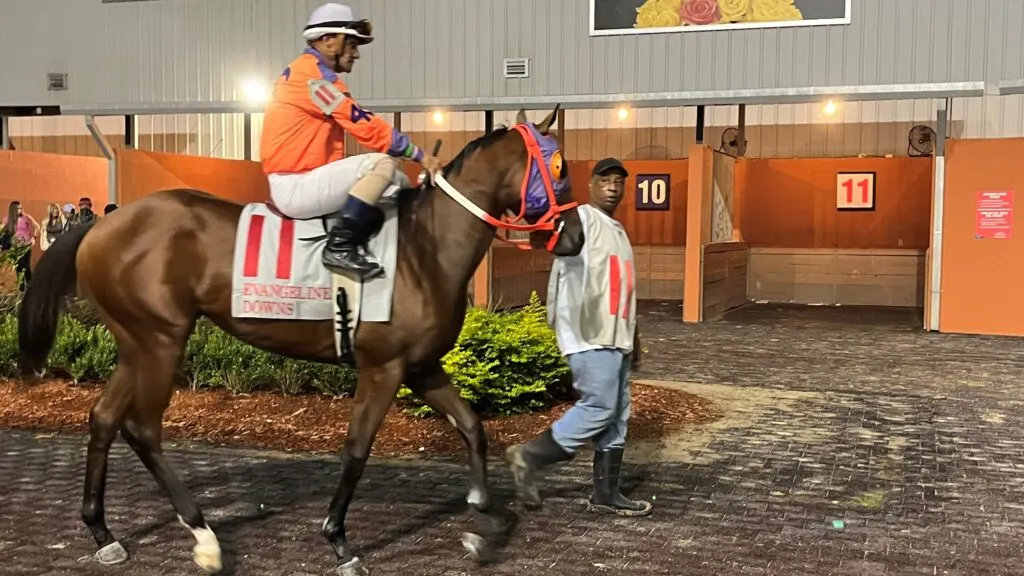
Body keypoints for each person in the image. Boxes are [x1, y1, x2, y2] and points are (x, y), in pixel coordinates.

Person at [505, 158, 652, 517]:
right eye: (606, 179)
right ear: (592, 184)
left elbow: (624, 289)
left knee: (617, 415)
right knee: (599, 407)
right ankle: (529, 456)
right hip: (589, 333)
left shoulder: (616, 230)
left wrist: (633, 337)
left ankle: (606, 493)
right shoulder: (581, 218)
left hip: (615, 337)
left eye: (619, 181)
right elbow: (562, 241)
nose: (613, 186)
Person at [259, 3, 443, 280]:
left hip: (306, 179)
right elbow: (364, 125)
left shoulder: (311, 73)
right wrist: (421, 156)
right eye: (352, 43)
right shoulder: (314, 80)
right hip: (296, 186)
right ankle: (340, 246)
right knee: (381, 164)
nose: (356, 54)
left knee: (396, 177)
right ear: (328, 40)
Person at [1, 201, 39, 289]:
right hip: (16, 246)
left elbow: (37, 226)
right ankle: (21, 288)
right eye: (18, 208)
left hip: (26, 245)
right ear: (13, 210)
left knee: (27, 266)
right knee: (19, 267)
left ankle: (30, 287)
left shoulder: (26, 217)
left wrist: (34, 238)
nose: (21, 210)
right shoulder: (7, 219)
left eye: (21, 208)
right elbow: (2, 230)